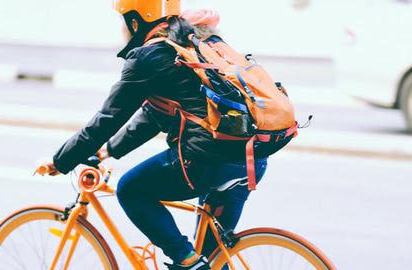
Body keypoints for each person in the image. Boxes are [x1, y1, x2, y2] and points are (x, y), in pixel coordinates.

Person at [38, 2, 274, 269]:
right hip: (250, 160)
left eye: (124, 22)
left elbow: (106, 120)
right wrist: (107, 152)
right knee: (213, 262)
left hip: (207, 163)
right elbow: (157, 115)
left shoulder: (148, 57)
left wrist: (61, 161)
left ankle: (183, 258)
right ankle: (194, 262)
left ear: (136, 22)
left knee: (130, 189)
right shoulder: (192, 44)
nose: (123, 30)